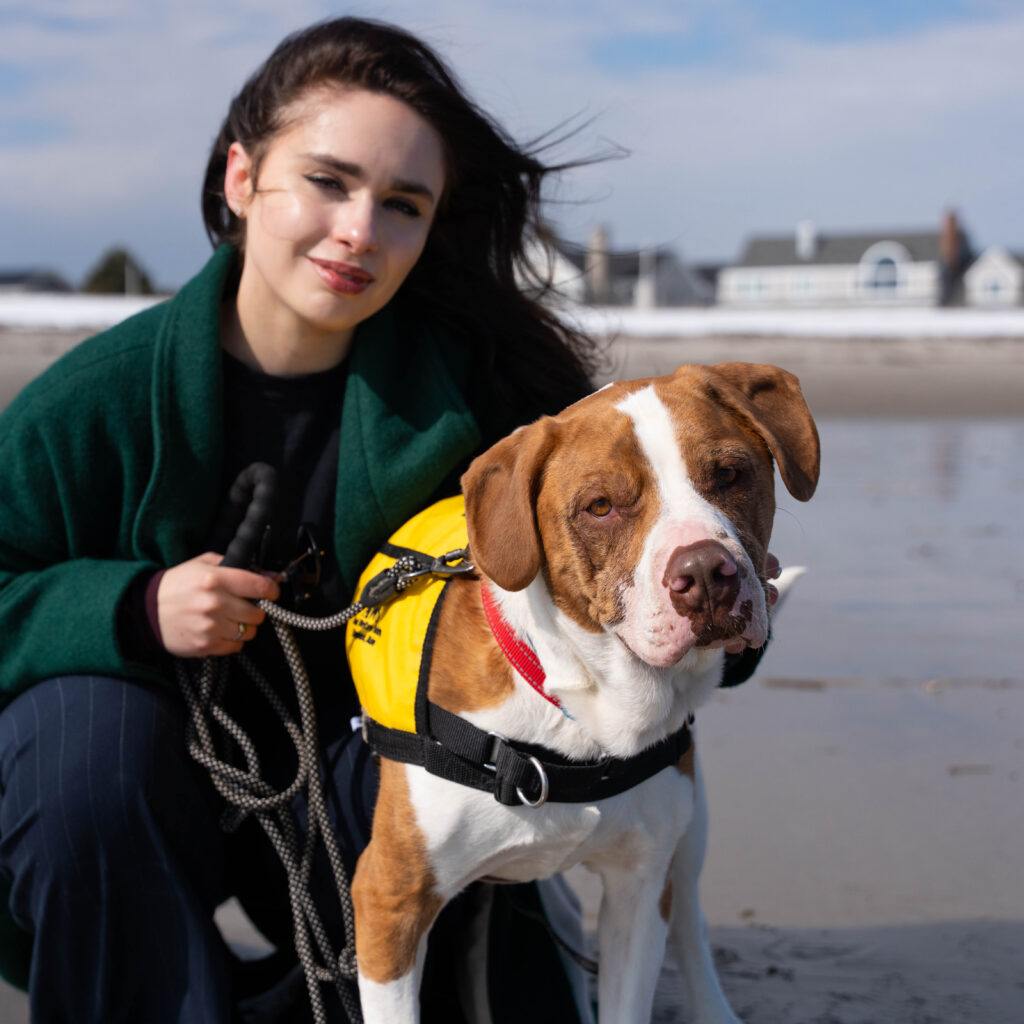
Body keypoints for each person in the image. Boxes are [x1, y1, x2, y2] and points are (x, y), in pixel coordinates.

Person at [0, 16, 766, 1023]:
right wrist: (134, 606)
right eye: (327, 181)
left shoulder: (494, 398)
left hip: (381, 774)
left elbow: (641, 555)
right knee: (87, 743)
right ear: (241, 179)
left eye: (402, 203)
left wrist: (717, 608)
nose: (360, 230)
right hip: (140, 788)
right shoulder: (96, 398)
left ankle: (444, 940)